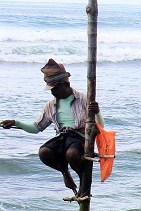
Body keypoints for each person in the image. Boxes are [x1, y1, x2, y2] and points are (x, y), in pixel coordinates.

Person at [1, 59, 100, 196]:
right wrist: (15, 122)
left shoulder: (84, 99)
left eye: (55, 89)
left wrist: (96, 112)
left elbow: (100, 125)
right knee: (44, 152)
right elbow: (36, 127)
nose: (52, 92)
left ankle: (84, 182)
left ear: (66, 85)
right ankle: (65, 173)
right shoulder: (50, 105)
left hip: (80, 138)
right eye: (51, 89)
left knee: (72, 154)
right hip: (62, 137)